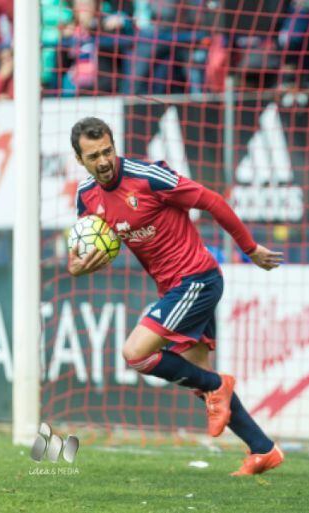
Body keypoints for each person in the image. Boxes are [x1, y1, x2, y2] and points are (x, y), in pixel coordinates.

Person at [68, 117, 284, 476]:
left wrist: (250, 248)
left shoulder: (149, 177)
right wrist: (76, 266)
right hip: (173, 288)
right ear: (80, 160)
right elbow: (87, 247)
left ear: (114, 145)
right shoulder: (87, 197)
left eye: (107, 151)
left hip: (197, 279)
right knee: (199, 378)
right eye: (93, 156)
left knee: (135, 354)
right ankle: (263, 449)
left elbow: (212, 201)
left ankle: (220, 385)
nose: (103, 161)